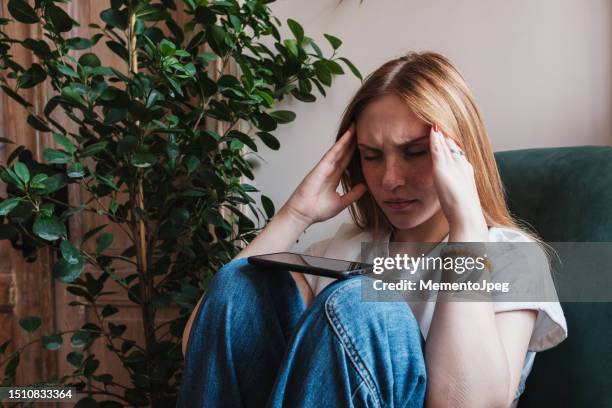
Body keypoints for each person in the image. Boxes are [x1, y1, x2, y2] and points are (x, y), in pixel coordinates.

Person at [177, 51, 568, 408]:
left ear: (459, 155)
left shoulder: (513, 256)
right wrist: (294, 215)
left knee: (361, 301)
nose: (391, 179)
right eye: (372, 156)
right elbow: (203, 343)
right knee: (241, 281)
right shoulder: (344, 247)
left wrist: (467, 226)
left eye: (415, 152)